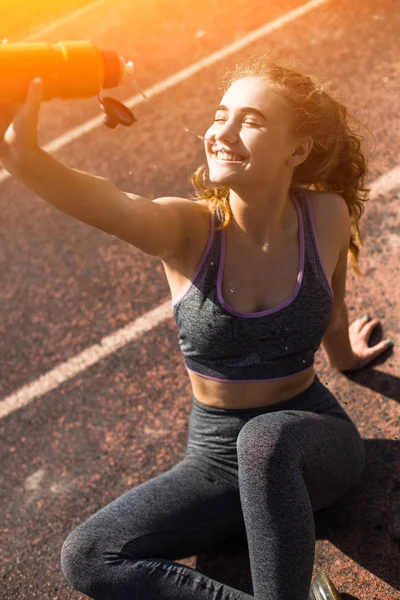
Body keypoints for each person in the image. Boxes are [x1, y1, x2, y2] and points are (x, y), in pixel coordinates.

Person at [0, 54, 393, 600]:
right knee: (89, 556)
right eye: (220, 114)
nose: (221, 132)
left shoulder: (324, 215)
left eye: (251, 121)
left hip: (312, 440)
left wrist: (346, 357)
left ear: (297, 150)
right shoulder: (184, 231)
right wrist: (22, 156)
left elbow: (333, 306)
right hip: (215, 458)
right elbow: (99, 199)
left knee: (266, 439)